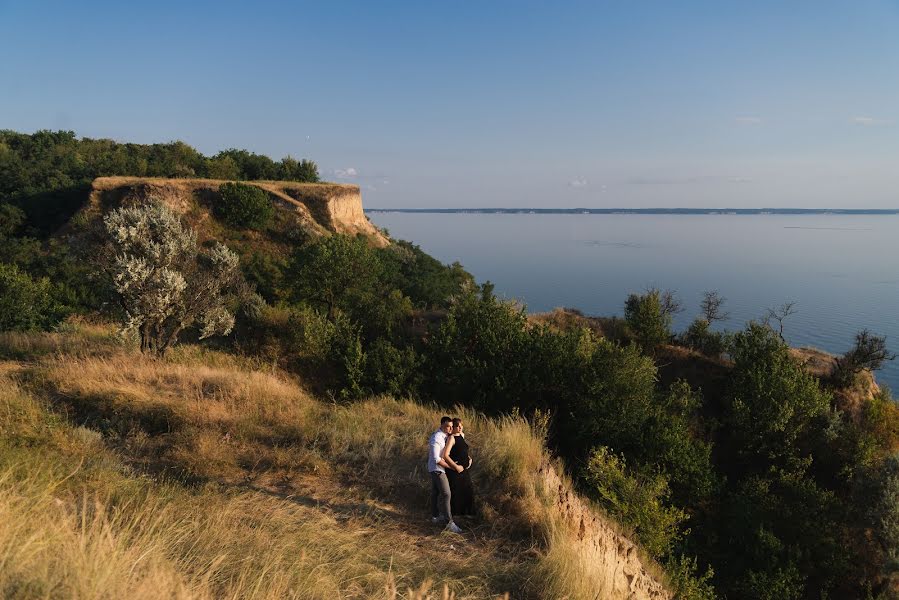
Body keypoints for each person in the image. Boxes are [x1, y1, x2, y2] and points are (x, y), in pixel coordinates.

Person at [428, 416, 463, 533]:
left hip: (440, 468)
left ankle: (435, 516)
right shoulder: (436, 438)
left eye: (451, 426)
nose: (450, 428)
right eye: (448, 426)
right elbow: (436, 459)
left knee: (435, 492)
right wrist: (452, 467)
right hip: (437, 469)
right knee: (446, 494)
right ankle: (449, 523)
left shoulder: (446, 436)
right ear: (442, 425)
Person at [442, 417, 475, 517]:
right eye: (457, 426)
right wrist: (456, 467)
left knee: (468, 489)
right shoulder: (451, 438)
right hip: (455, 470)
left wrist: (469, 459)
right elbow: (445, 455)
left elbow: (463, 450)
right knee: (457, 492)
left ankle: (467, 514)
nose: (460, 428)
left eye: (461, 425)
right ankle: (455, 516)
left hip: (464, 469)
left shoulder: (462, 435)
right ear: (453, 427)